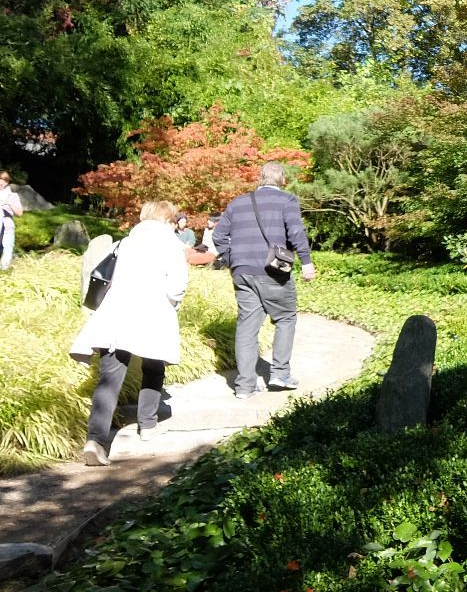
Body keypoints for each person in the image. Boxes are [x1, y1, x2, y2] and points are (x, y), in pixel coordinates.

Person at [69, 200, 189, 464]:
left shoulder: (121, 243)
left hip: (114, 317)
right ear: (167, 221)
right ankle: (147, 424)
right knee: (153, 367)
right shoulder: (172, 245)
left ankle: (95, 440)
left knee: (109, 380)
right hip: (151, 315)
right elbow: (177, 287)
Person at [211, 162, 314, 398]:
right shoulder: (287, 201)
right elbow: (296, 232)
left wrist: (231, 259)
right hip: (273, 271)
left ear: (260, 179)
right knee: (285, 318)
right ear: (282, 180)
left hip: (242, 272)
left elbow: (218, 235)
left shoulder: (237, 203)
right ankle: (280, 373)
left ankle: (245, 387)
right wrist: (306, 261)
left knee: (247, 327)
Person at [0, 170, 24, 270]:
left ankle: (4, 274)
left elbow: (19, 213)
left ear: (7, 183)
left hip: (7, 230)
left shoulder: (12, 196)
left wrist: (9, 204)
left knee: (6, 255)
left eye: (2, 184)